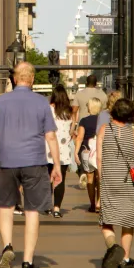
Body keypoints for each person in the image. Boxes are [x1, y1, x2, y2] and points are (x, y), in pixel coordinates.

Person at [0, 61, 62, 268]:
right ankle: (27, 262)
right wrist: (56, 164)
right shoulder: (41, 103)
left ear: (15, 79)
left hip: (6, 161)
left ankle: (8, 246)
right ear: (33, 79)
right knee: (32, 210)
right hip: (34, 162)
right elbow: (51, 136)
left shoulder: (1, 102)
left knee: (6, 207)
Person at [96, 98, 134, 268]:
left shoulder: (103, 130)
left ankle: (113, 247)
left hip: (110, 180)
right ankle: (125, 260)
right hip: (130, 183)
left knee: (107, 220)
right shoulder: (133, 134)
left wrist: (101, 181)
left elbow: (99, 159)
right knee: (128, 223)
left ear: (113, 112)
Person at [47, 83, 75, 218]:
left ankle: (47, 205)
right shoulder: (69, 112)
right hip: (63, 151)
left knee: (48, 177)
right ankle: (57, 208)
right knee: (60, 179)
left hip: (48, 149)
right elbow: (71, 131)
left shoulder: (48, 110)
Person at [74, 97, 102, 212]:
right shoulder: (104, 121)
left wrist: (76, 153)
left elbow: (80, 138)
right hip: (100, 151)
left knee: (90, 178)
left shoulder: (84, 121)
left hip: (87, 151)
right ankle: (100, 203)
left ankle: (92, 204)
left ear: (89, 107)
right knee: (100, 177)